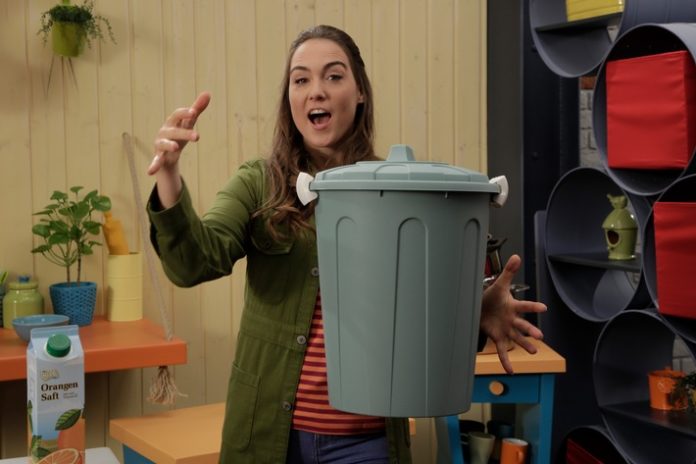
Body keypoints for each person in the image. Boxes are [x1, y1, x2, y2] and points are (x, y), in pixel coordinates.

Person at [147, 24, 546, 464]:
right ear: (289, 100)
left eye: (333, 76)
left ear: (360, 94)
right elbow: (193, 263)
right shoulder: (259, 183)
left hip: (367, 441)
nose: (316, 90)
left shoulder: (401, 191)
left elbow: (416, 315)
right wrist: (169, 174)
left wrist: (472, 313)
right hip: (270, 436)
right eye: (301, 80)